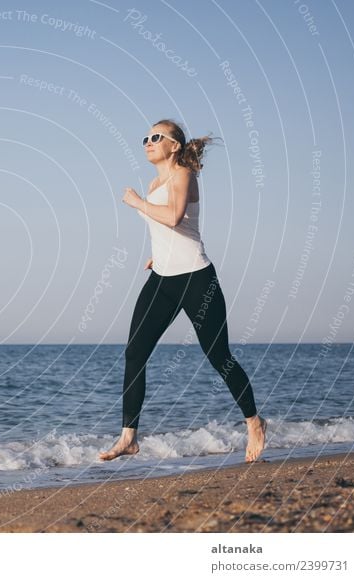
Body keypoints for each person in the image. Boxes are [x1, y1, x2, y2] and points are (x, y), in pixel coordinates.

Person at [99, 120, 267, 463]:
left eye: (156, 137)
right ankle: (129, 437)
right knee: (135, 353)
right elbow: (169, 230)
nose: (148, 141)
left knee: (218, 355)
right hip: (162, 278)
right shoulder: (155, 181)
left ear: (174, 146)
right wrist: (157, 255)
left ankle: (254, 421)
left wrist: (135, 203)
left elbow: (175, 217)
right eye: (145, 137)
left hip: (196, 279)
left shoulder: (183, 174)